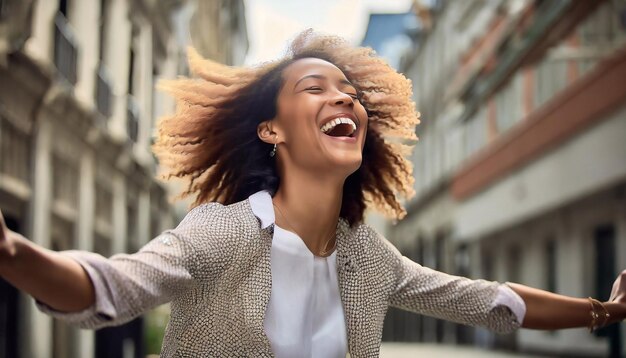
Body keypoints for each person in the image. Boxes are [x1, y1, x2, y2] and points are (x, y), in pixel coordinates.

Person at [0, 30, 624, 357]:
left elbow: (492, 302)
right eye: (315, 87)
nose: (344, 97)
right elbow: (111, 286)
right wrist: (12, 254)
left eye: (350, 91)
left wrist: (604, 312)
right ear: (272, 130)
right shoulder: (220, 233)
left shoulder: (368, 259)